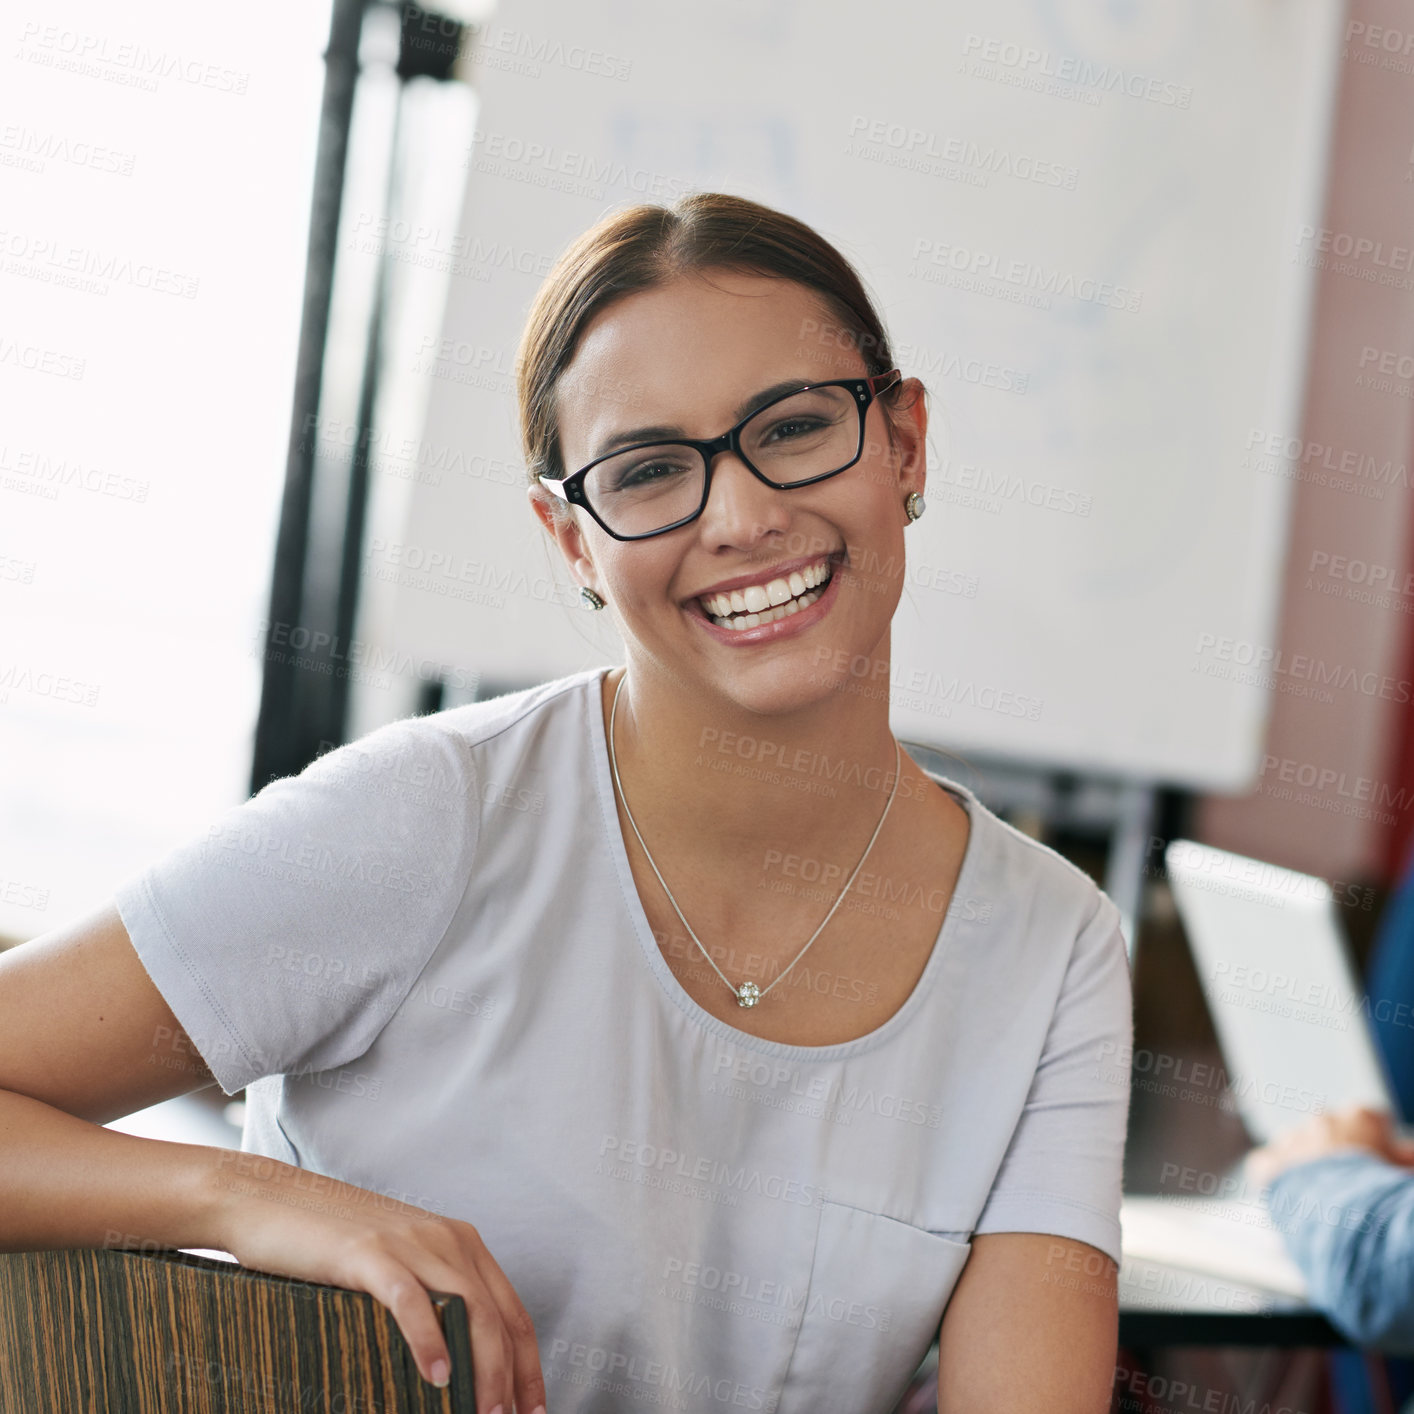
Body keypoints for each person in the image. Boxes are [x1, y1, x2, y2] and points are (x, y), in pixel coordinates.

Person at [0, 191, 1134, 1414]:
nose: (744, 516)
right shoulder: (427, 817)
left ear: (903, 442)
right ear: (571, 539)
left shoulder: (1050, 948)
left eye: (796, 427)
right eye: (648, 471)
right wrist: (244, 1195)